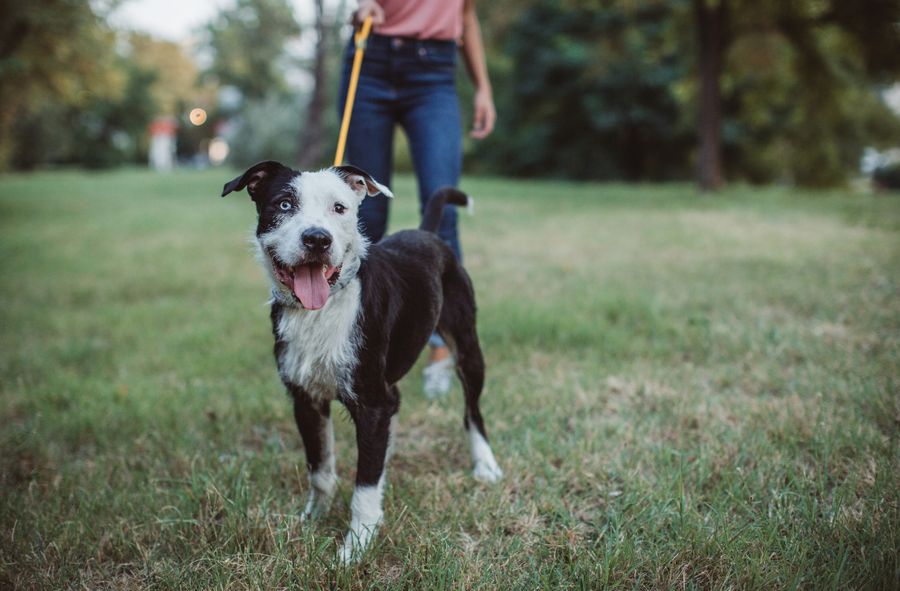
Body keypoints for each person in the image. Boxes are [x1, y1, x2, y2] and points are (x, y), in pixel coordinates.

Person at [339, 0, 496, 398]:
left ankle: (442, 346)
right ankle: (352, 338)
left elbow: (466, 15)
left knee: (442, 211)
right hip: (371, 59)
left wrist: (483, 88)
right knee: (365, 212)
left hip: (434, 73)